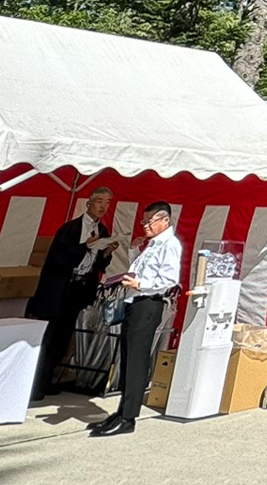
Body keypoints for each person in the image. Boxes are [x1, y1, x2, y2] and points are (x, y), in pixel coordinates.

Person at [89, 200, 181, 438]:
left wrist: (141, 285)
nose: (145, 226)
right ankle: (121, 411)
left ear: (164, 220)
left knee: (137, 361)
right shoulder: (152, 244)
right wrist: (133, 251)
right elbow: (139, 270)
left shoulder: (169, 244)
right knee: (128, 358)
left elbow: (169, 279)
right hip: (134, 302)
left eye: (149, 221)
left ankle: (129, 417)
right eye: (144, 221)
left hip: (148, 304)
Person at [28, 186, 117, 401]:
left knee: (62, 338)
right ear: (89, 203)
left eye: (106, 203)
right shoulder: (70, 229)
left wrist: (106, 253)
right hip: (59, 288)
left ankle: (47, 380)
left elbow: (98, 264)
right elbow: (58, 259)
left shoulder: (102, 230)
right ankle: (34, 385)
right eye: (99, 202)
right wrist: (84, 247)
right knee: (48, 338)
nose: (103, 207)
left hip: (79, 289)